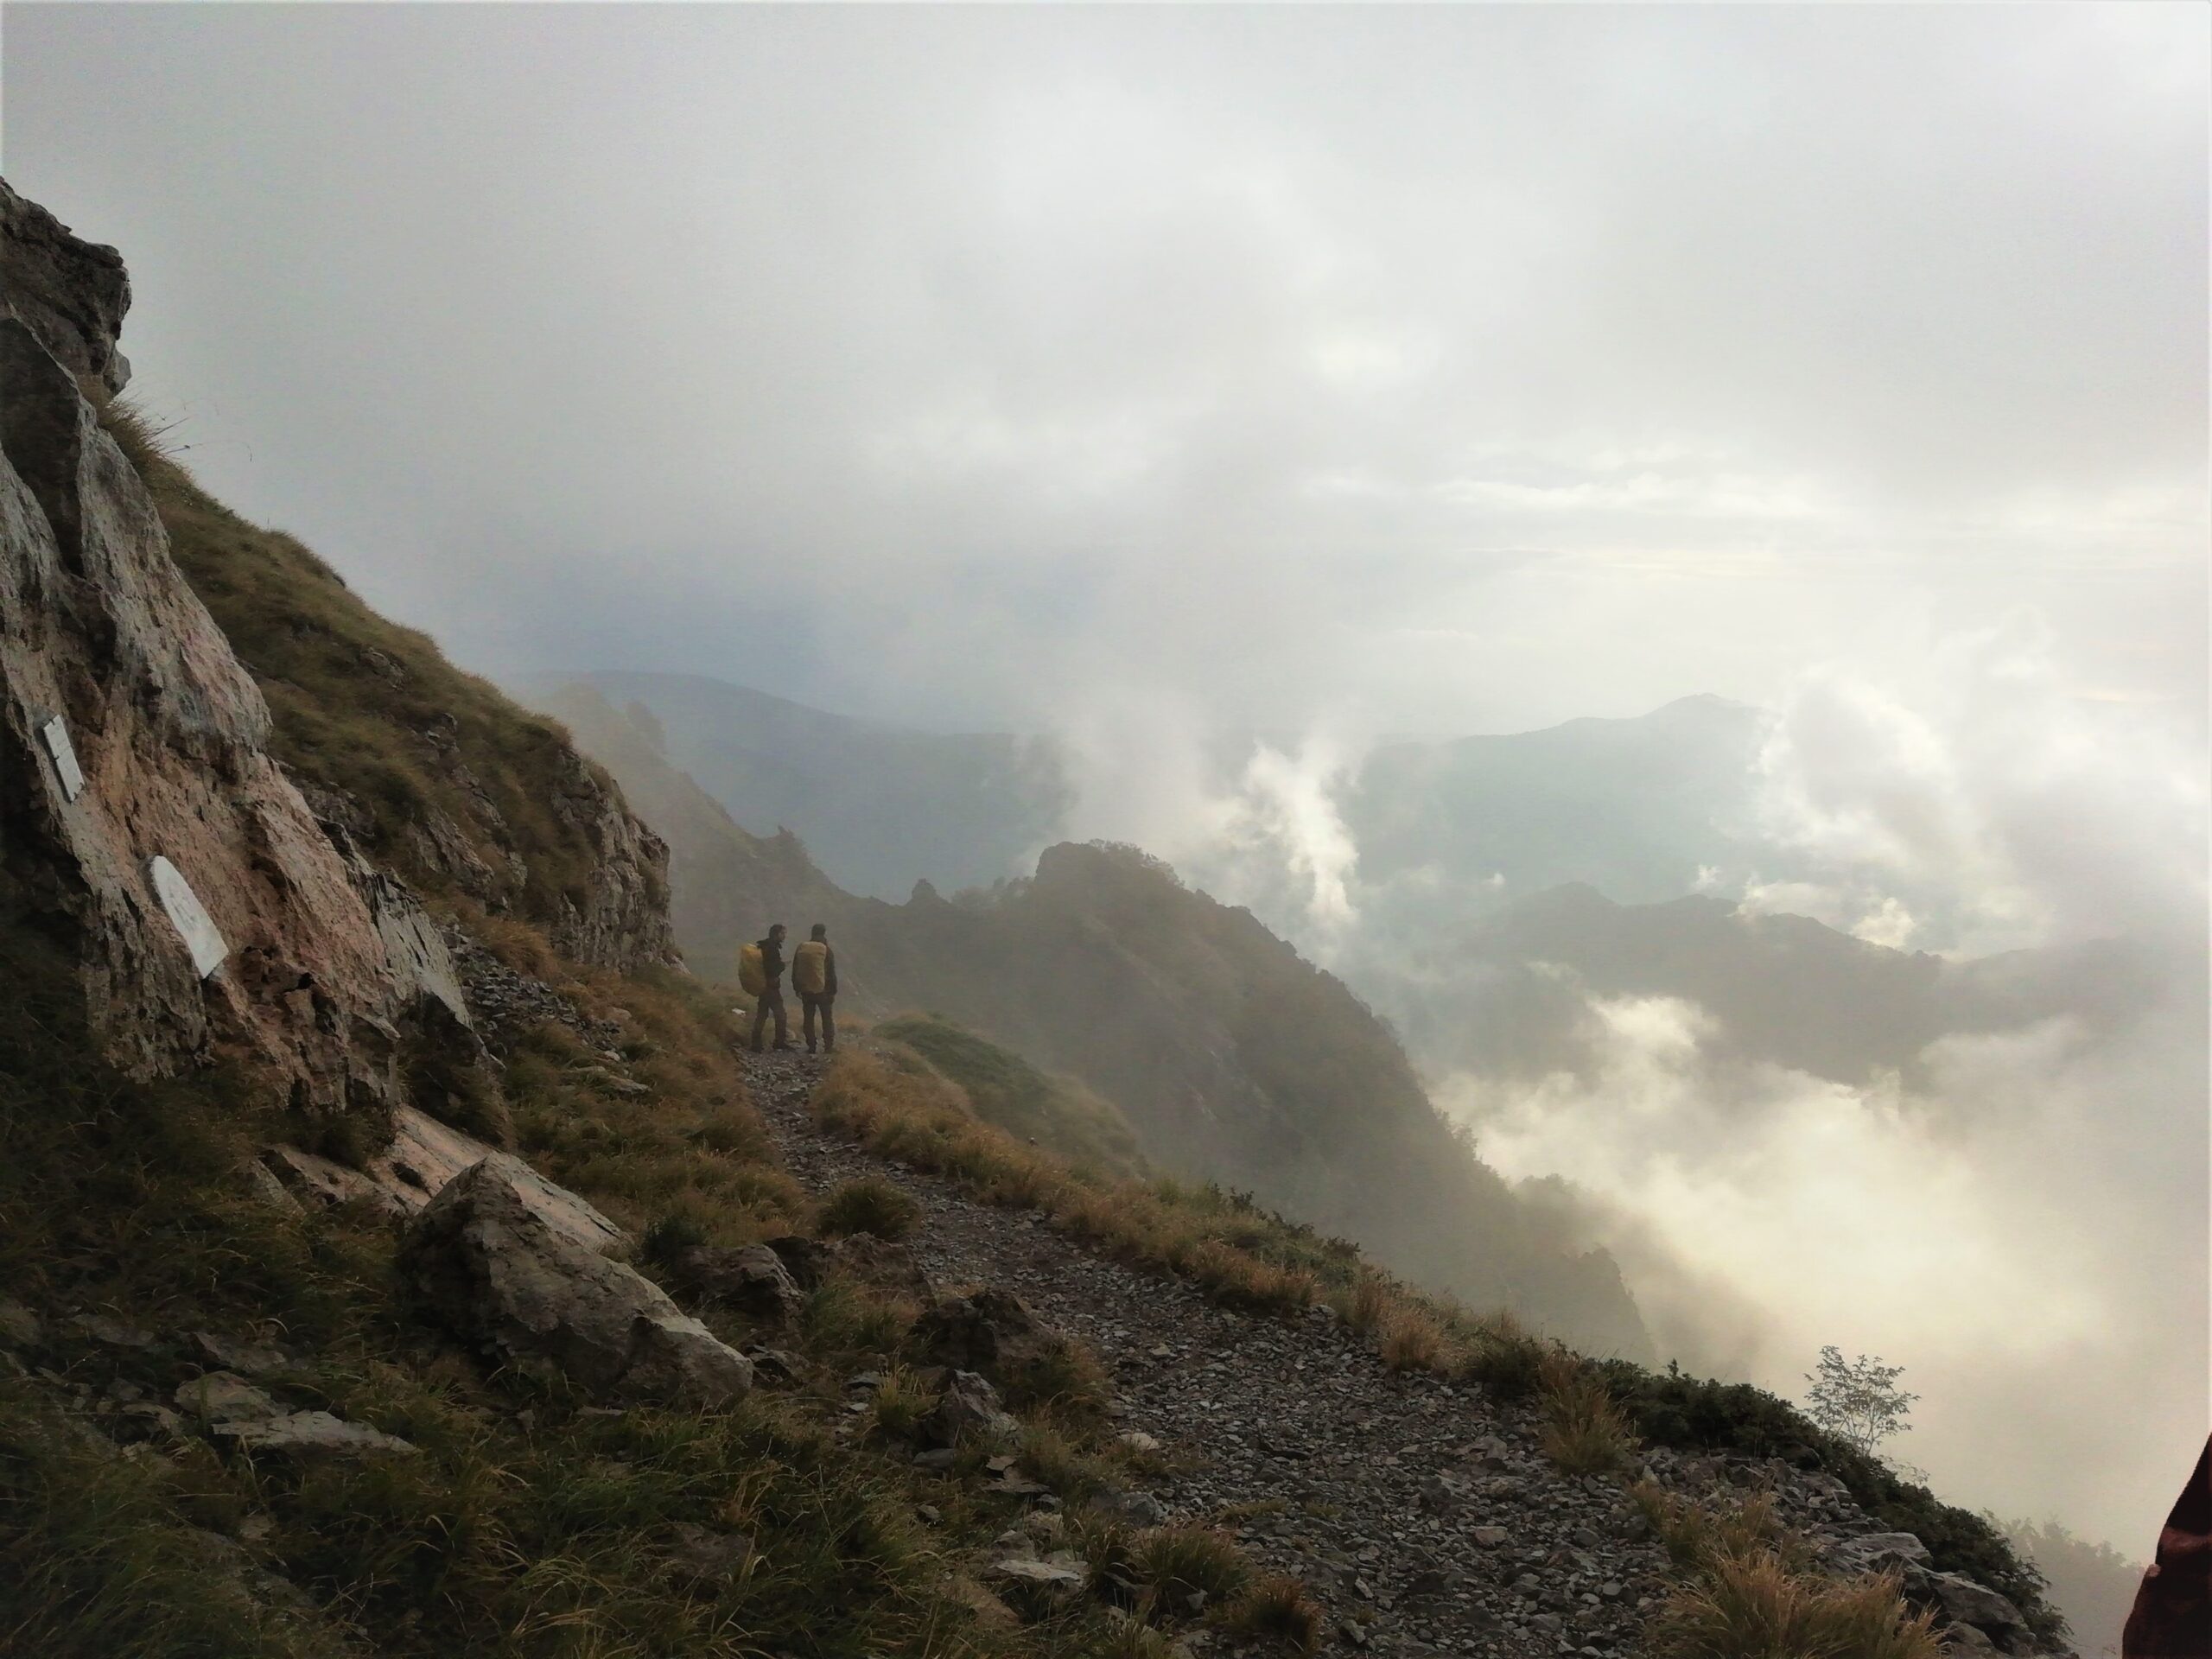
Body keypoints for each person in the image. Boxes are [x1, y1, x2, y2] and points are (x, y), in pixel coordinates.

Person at [791, 922, 838, 1054]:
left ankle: (811, 1045)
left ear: (812, 933)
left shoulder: (802, 948)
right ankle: (828, 1046)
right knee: (827, 1018)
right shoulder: (826, 950)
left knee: (808, 1018)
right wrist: (833, 991)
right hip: (824, 991)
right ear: (824, 933)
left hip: (806, 990)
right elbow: (831, 972)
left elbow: (795, 969)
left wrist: (797, 988)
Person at [750, 923, 792, 1052]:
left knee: (762, 1014)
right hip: (771, 987)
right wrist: (783, 965)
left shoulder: (764, 946)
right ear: (777, 934)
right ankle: (779, 1042)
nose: (785, 936)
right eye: (783, 933)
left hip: (763, 985)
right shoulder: (772, 948)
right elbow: (772, 968)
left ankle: (756, 1043)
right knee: (781, 1014)